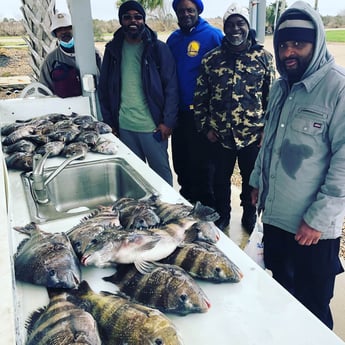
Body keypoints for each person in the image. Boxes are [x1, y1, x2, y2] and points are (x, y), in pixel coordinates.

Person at [249, 1, 345, 329]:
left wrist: (316, 220)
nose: (289, 52)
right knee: (279, 296)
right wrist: (255, 180)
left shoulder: (338, 87)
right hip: (276, 219)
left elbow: (344, 165)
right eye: (283, 44)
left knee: (312, 309)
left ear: (316, 43)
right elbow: (270, 141)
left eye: (298, 44)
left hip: (312, 232)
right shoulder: (280, 87)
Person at [193, 3, 275, 231]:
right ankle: (223, 215)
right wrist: (205, 128)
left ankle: (249, 215)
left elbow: (272, 99)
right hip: (220, 135)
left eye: (240, 24)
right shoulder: (211, 59)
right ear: (224, 28)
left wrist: (266, 130)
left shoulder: (264, 58)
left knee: (251, 180)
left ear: (248, 27)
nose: (235, 29)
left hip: (252, 136)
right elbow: (200, 97)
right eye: (230, 24)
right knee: (220, 180)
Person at [98, 1, 178, 185]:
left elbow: (171, 88)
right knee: (134, 179)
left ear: (144, 20)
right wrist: (111, 123)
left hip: (153, 128)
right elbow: (104, 90)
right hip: (125, 127)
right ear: (121, 21)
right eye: (127, 17)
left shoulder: (158, 48)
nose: (133, 21)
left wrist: (168, 122)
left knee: (162, 179)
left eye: (137, 17)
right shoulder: (112, 50)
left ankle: (166, 211)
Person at [167, 0, 223, 203]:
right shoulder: (173, 39)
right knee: (182, 162)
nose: (185, 14)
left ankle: (207, 209)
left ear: (198, 11)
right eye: (181, 10)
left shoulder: (213, 35)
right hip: (179, 113)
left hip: (202, 114)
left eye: (190, 10)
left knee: (204, 166)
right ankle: (187, 203)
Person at [39, 12, 102, 98]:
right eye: (59, 29)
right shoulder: (51, 60)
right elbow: (44, 89)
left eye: (68, 27)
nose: (64, 31)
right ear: (55, 34)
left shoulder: (92, 52)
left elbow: (105, 77)